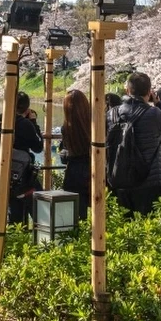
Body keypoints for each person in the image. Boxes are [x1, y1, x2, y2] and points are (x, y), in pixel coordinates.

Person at [106, 72, 161, 215]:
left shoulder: (112, 114)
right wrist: (159, 103)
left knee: (123, 224)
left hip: (120, 178)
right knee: (151, 224)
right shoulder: (153, 114)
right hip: (150, 180)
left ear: (127, 90)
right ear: (149, 92)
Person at [0, 91, 44, 225]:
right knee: (41, 209)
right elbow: (38, 147)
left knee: (14, 214)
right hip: (24, 176)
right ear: (27, 108)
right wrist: (34, 123)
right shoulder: (25, 124)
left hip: (3, 174)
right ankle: (42, 232)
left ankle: (15, 233)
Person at [58, 89, 91, 222]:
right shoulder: (94, 124)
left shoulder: (66, 127)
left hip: (73, 171)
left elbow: (65, 150)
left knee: (75, 214)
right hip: (92, 168)